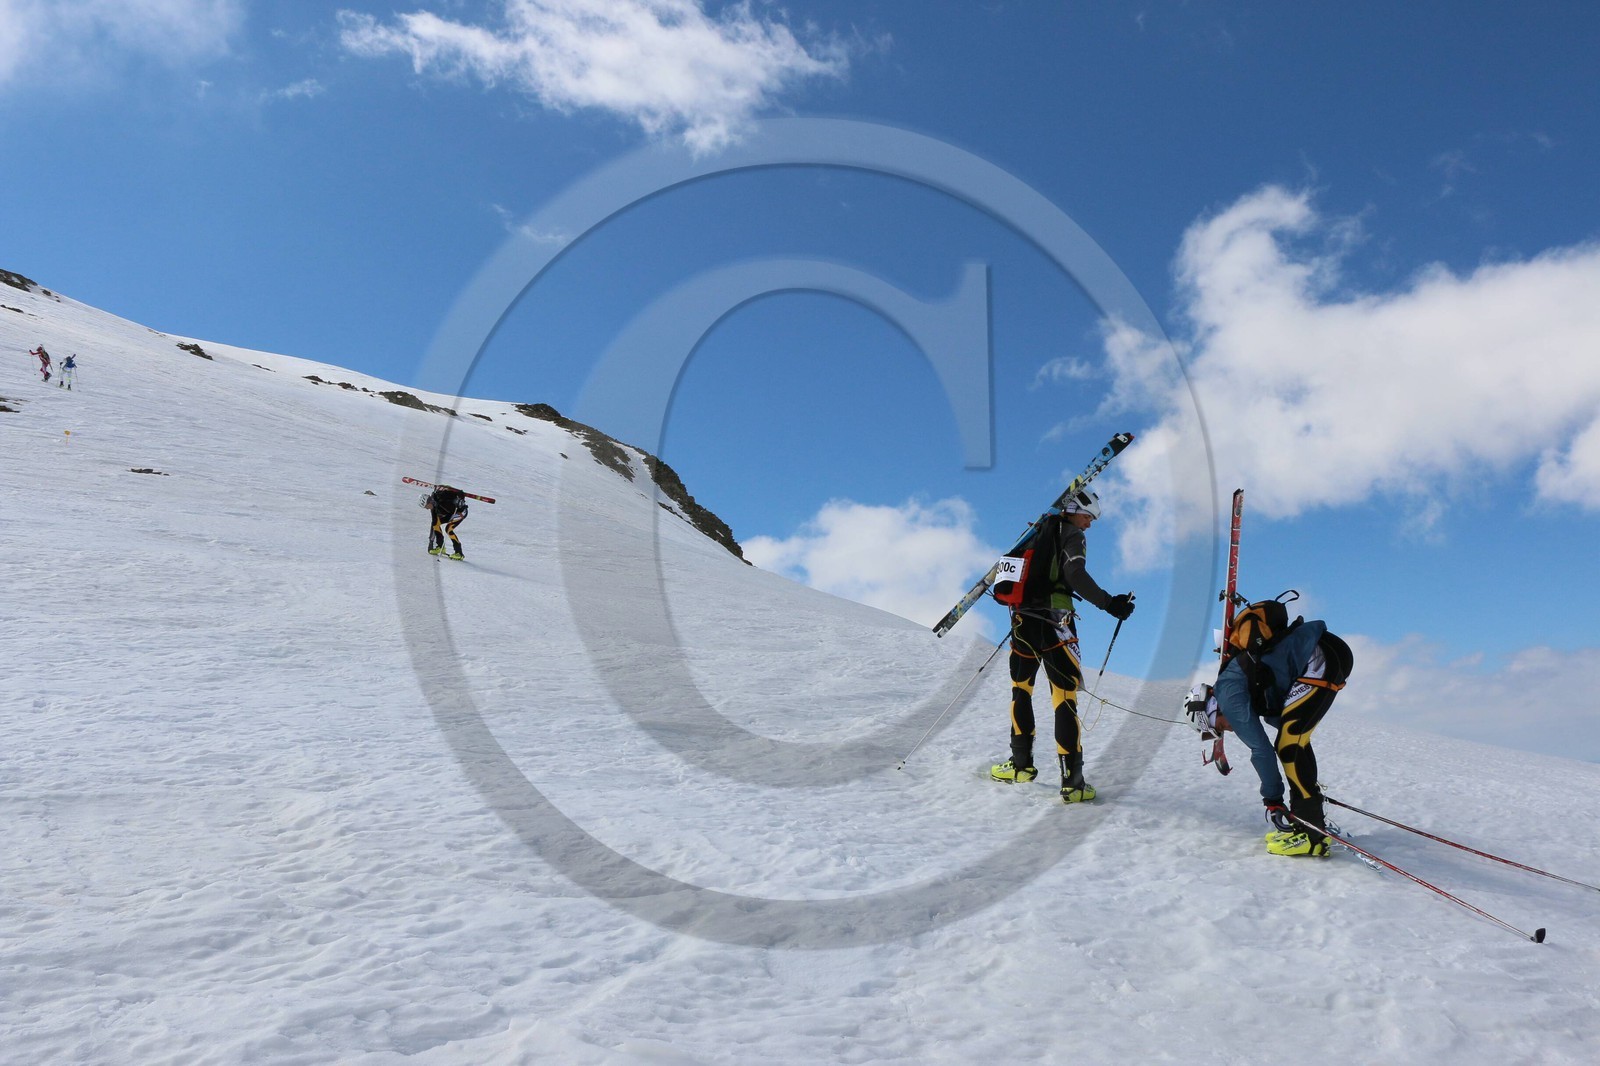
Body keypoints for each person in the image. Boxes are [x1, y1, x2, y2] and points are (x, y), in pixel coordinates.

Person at [990, 489, 1136, 803]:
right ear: (1073, 510)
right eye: (1088, 517)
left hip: (1022, 621)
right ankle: (1073, 783)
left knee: (1021, 690)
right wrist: (1109, 603)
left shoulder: (1035, 533)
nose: (1089, 524)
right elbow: (1074, 573)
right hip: (1056, 623)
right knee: (1064, 699)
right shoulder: (1071, 534)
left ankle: (1020, 766)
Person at [1186, 605, 1354, 856]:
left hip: (1317, 658)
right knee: (1293, 743)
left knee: (1289, 746)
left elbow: (1261, 751)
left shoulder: (1228, 694)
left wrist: (1273, 800)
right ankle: (1307, 816)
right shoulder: (1238, 686)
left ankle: (1311, 834)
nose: (1228, 729)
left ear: (1212, 709)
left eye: (1219, 726)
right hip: (1327, 652)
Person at [425, 485, 468, 559]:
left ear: (429, 502)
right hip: (450, 514)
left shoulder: (442, 497)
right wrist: (430, 542)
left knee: (448, 529)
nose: (426, 508)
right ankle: (440, 546)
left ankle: (459, 553)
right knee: (435, 524)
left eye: (426, 506)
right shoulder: (433, 508)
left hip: (460, 512)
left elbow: (457, 493)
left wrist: (460, 499)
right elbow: (434, 521)